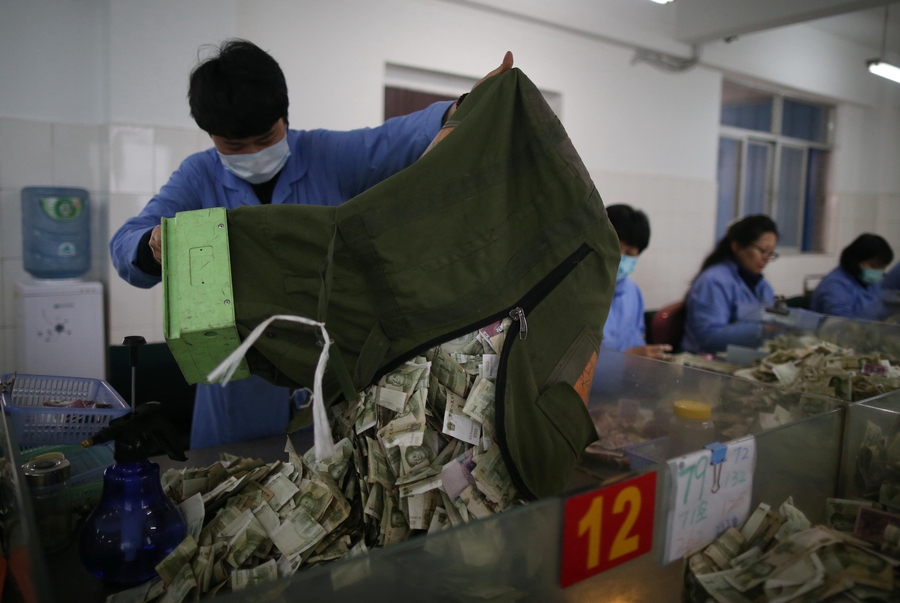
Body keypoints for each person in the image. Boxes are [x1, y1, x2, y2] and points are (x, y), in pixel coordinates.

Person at [110, 39, 513, 449]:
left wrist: (464, 107)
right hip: (237, 393)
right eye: (234, 146)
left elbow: (397, 138)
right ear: (210, 135)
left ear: (284, 116)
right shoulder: (198, 177)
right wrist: (151, 246)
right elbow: (125, 245)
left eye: (266, 137)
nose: (254, 153)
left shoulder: (326, 154)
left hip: (330, 380)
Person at [681, 215, 778, 354]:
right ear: (737, 246)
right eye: (762, 250)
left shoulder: (763, 286)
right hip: (705, 362)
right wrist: (763, 329)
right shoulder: (714, 281)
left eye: (771, 253)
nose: (767, 259)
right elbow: (709, 336)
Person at [601, 205, 671, 359]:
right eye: (617, 248)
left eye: (630, 253)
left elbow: (636, 342)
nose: (620, 257)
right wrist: (624, 359)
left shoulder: (633, 292)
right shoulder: (577, 289)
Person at [810, 234, 893, 320]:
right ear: (856, 260)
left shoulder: (871, 283)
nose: (878, 272)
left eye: (882, 268)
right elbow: (840, 324)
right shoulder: (836, 284)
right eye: (873, 266)